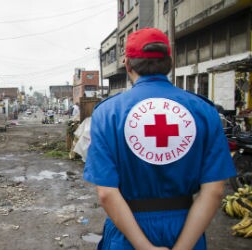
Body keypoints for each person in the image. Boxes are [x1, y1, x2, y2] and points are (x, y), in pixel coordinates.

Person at [83, 28, 236, 250]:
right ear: (170, 63)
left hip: (128, 232)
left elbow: (107, 193)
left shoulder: (108, 113)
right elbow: (214, 191)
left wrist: (145, 247)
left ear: (128, 66)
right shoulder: (203, 110)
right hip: (186, 228)